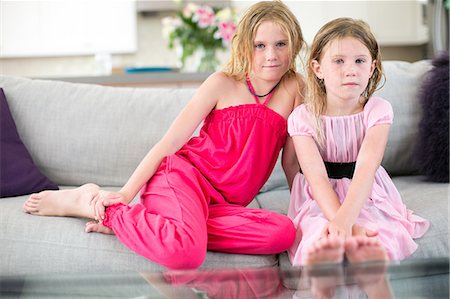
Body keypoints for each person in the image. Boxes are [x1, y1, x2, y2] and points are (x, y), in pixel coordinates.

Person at [23, 0, 305, 270]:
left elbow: (291, 162)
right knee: (185, 253)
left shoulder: (295, 88)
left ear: (293, 44)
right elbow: (170, 143)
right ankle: (94, 205)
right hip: (180, 179)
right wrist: (125, 193)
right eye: (260, 45)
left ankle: (156, 230)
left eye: (281, 44)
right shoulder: (222, 83)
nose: (272, 55)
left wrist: (305, 210)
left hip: (223, 207)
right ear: (245, 46)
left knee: (282, 233)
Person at [286, 17, 430, 268]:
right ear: (318, 68)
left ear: (372, 67)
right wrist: (346, 226)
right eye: (338, 61)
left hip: (366, 192)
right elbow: (316, 177)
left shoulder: (378, 110)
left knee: (374, 243)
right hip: (320, 197)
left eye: (359, 61)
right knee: (322, 245)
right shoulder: (302, 118)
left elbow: (366, 167)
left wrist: (346, 221)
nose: (350, 70)